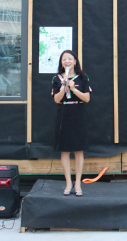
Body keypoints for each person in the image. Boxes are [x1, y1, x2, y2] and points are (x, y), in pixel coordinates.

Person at [51, 50, 91, 196]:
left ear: (75, 61)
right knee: (65, 150)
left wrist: (73, 88)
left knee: (79, 150)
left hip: (78, 113)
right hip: (63, 113)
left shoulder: (83, 77)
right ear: (61, 63)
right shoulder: (56, 78)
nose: (67, 61)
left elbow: (87, 98)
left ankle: (78, 183)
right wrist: (64, 87)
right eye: (64, 59)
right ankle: (68, 183)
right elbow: (56, 99)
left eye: (69, 58)